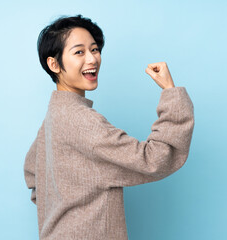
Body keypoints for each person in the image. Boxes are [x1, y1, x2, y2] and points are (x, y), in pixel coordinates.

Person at [24, 14, 195, 240]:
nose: (92, 59)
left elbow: (32, 173)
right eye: (79, 52)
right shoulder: (81, 120)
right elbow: (154, 159)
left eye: (94, 49)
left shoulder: (54, 116)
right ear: (54, 64)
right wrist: (170, 92)